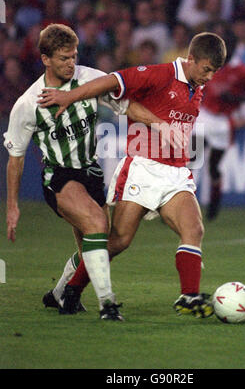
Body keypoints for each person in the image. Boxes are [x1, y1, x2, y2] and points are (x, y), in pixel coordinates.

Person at [38, 32, 227, 318]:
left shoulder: (196, 86)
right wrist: (69, 95)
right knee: (118, 241)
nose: (210, 77)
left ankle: (188, 296)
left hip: (177, 173)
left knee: (194, 230)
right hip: (143, 168)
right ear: (191, 59)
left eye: (214, 71)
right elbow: (112, 81)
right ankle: (72, 290)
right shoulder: (159, 74)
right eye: (206, 69)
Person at [3, 23, 171, 321]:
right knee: (97, 225)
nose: (71, 64)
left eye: (74, 56)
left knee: (97, 250)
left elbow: (126, 106)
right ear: (45, 59)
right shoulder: (28, 103)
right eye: (64, 58)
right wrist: (13, 206)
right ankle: (107, 303)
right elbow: (15, 158)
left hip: (91, 173)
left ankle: (60, 294)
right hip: (59, 177)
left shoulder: (90, 79)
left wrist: (160, 125)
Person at [193, 54, 245, 220]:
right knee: (191, 159)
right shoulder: (208, 62)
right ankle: (179, 204)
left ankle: (214, 203)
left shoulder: (242, 71)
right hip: (205, 115)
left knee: (213, 166)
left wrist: (236, 99)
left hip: (224, 122)